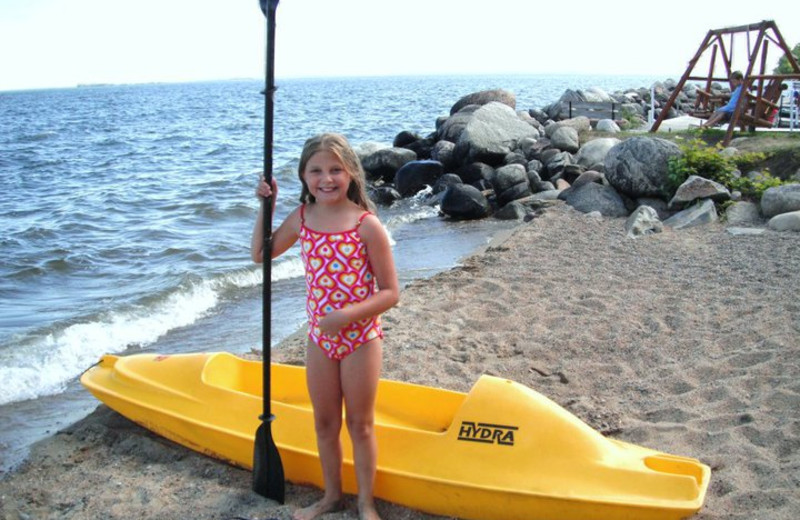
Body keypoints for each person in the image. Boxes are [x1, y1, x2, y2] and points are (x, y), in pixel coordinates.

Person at [251, 133, 399, 520]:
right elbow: (259, 254)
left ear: (351, 172)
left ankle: (366, 502)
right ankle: (332, 496)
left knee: (360, 424)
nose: (326, 178)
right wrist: (265, 207)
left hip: (361, 339)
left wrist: (347, 316)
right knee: (325, 423)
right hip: (320, 340)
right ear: (303, 176)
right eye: (316, 171)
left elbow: (390, 293)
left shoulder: (367, 225)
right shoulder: (302, 218)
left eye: (335, 169)